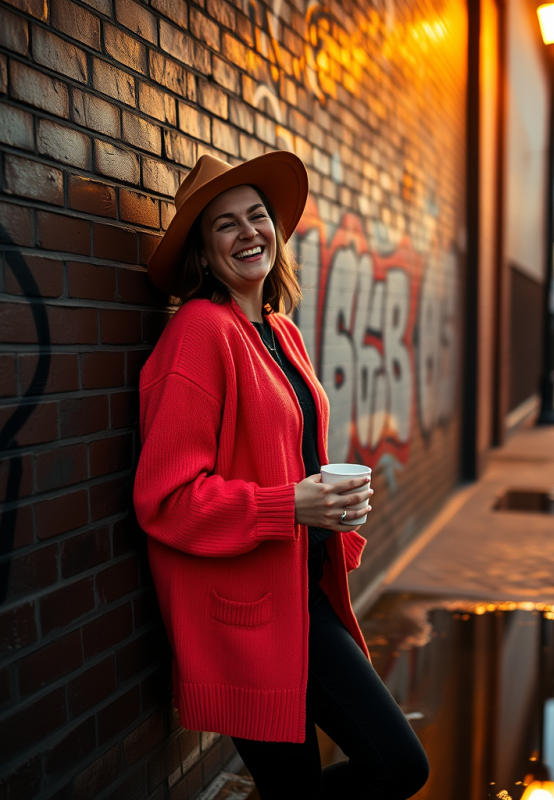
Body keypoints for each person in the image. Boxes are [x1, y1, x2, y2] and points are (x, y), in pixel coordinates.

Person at [133, 151, 429, 799]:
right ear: (204, 256)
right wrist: (291, 506)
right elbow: (167, 500)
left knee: (373, 771)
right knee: (392, 768)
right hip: (247, 618)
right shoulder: (198, 334)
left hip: (303, 597)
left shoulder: (278, 331)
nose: (249, 233)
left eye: (258, 216)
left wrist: (332, 509)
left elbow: (293, 453)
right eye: (226, 225)